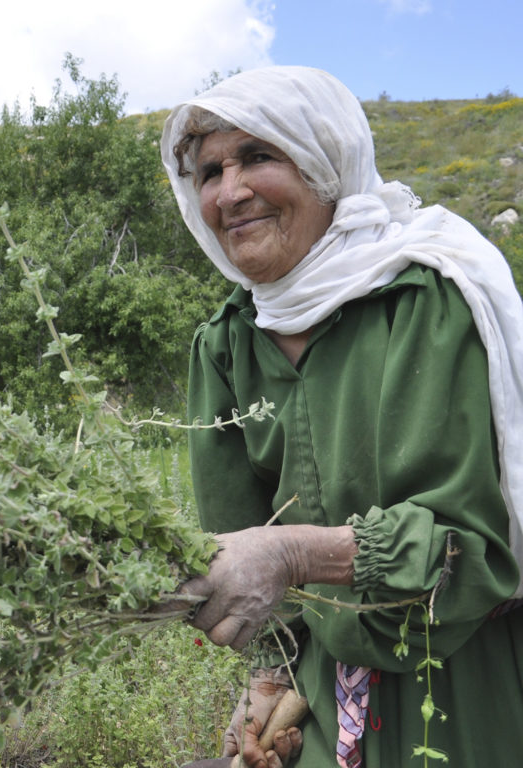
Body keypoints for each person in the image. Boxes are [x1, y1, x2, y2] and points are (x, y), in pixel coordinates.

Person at [158, 66, 523, 768]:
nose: (229, 192)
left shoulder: (428, 300)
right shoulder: (227, 344)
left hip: (467, 684)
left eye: (258, 157)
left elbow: (467, 552)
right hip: (324, 697)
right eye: (209, 171)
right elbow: (241, 542)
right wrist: (270, 678)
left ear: (327, 164)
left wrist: (296, 555)